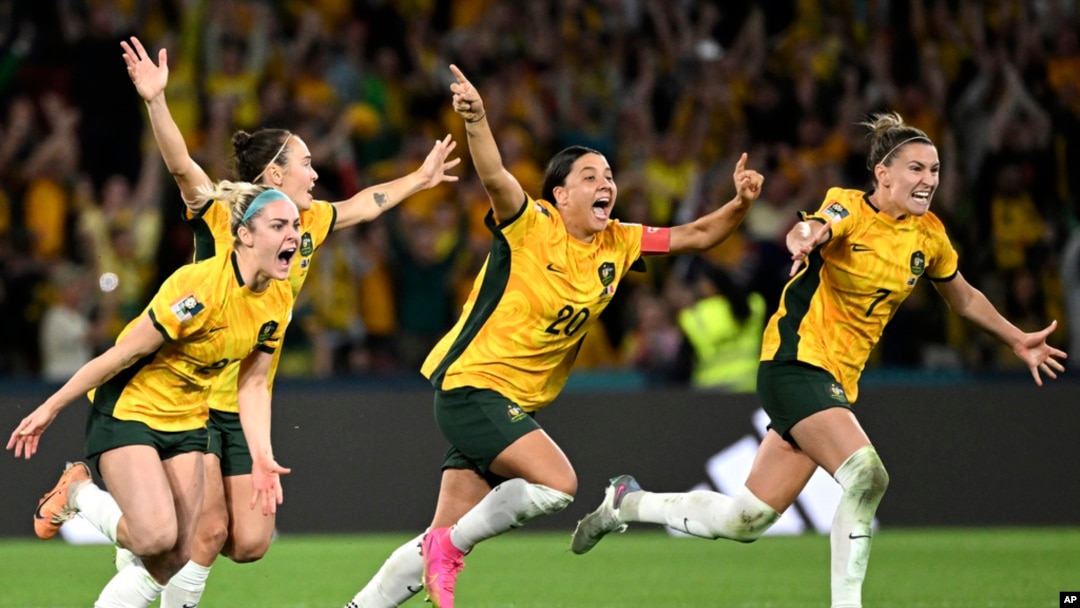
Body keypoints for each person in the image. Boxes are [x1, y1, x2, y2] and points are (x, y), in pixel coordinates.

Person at [570, 112, 1068, 608]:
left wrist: (1015, 338)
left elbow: (962, 297)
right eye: (916, 169)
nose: (929, 180)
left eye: (935, 170)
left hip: (834, 380)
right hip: (796, 361)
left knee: (745, 520)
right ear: (883, 174)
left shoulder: (929, 235)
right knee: (867, 475)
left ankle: (626, 502)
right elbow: (816, 227)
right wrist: (804, 237)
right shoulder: (847, 206)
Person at [344, 64, 764, 608]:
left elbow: (699, 234)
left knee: (434, 537)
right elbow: (494, 175)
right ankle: (452, 547)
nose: (606, 183)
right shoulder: (530, 223)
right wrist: (477, 119)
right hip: (473, 386)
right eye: (590, 176)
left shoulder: (619, 241)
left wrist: (741, 203)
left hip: (513, 403)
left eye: (609, 175)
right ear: (560, 195)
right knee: (557, 485)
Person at [112, 35, 461, 608]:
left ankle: (121, 531)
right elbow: (182, 166)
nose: (315, 173)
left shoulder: (306, 223)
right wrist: (156, 101)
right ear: (274, 174)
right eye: (306, 163)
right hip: (195, 388)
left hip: (247, 391)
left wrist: (418, 181)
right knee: (203, 531)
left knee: (249, 542)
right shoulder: (228, 214)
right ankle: (121, 536)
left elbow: (363, 203)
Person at [7, 182, 298, 608]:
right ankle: (78, 493)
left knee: (178, 553)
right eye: (279, 225)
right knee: (155, 537)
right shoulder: (198, 289)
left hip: (188, 420)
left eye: (295, 225)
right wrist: (51, 406)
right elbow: (124, 353)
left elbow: (252, 382)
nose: (293, 235)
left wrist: (261, 453)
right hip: (131, 410)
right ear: (246, 235)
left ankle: (106, 521)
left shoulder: (278, 299)